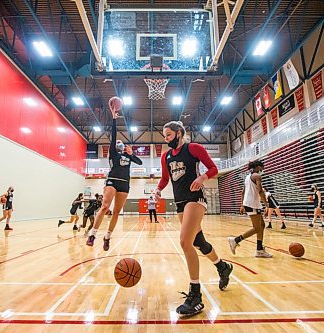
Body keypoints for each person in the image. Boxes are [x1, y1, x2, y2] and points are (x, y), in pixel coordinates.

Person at [155, 120, 232, 317]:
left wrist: (203, 178)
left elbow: (213, 168)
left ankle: (196, 296)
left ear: (179, 133)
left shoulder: (193, 148)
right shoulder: (166, 157)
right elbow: (165, 179)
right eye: (165, 136)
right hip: (180, 202)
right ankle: (222, 267)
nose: (167, 140)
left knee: (184, 242)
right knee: (199, 242)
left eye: (169, 135)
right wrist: (157, 190)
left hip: (196, 199)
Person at [86, 104, 142, 250]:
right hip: (112, 181)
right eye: (117, 143)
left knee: (117, 212)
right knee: (105, 206)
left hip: (125, 184)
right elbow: (114, 136)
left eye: (120, 143)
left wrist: (132, 154)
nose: (118, 143)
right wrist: (114, 119)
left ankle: (107, 237)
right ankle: (92, 234)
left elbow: (140, 162)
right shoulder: (113, 153)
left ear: (124, 146)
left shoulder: (128, 156)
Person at [228, 160, 273, 258]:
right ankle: (235, 240)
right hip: (252, 204)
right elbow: (260, 191)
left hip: (250, 204)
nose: (263, 170)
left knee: (262, 225)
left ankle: (259, 250)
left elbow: (242, 192)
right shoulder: (257, 176)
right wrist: (267, 205)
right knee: (257, 228)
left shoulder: (247, 177)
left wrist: (242, 205)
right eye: (262, 168)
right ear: (257, 167)